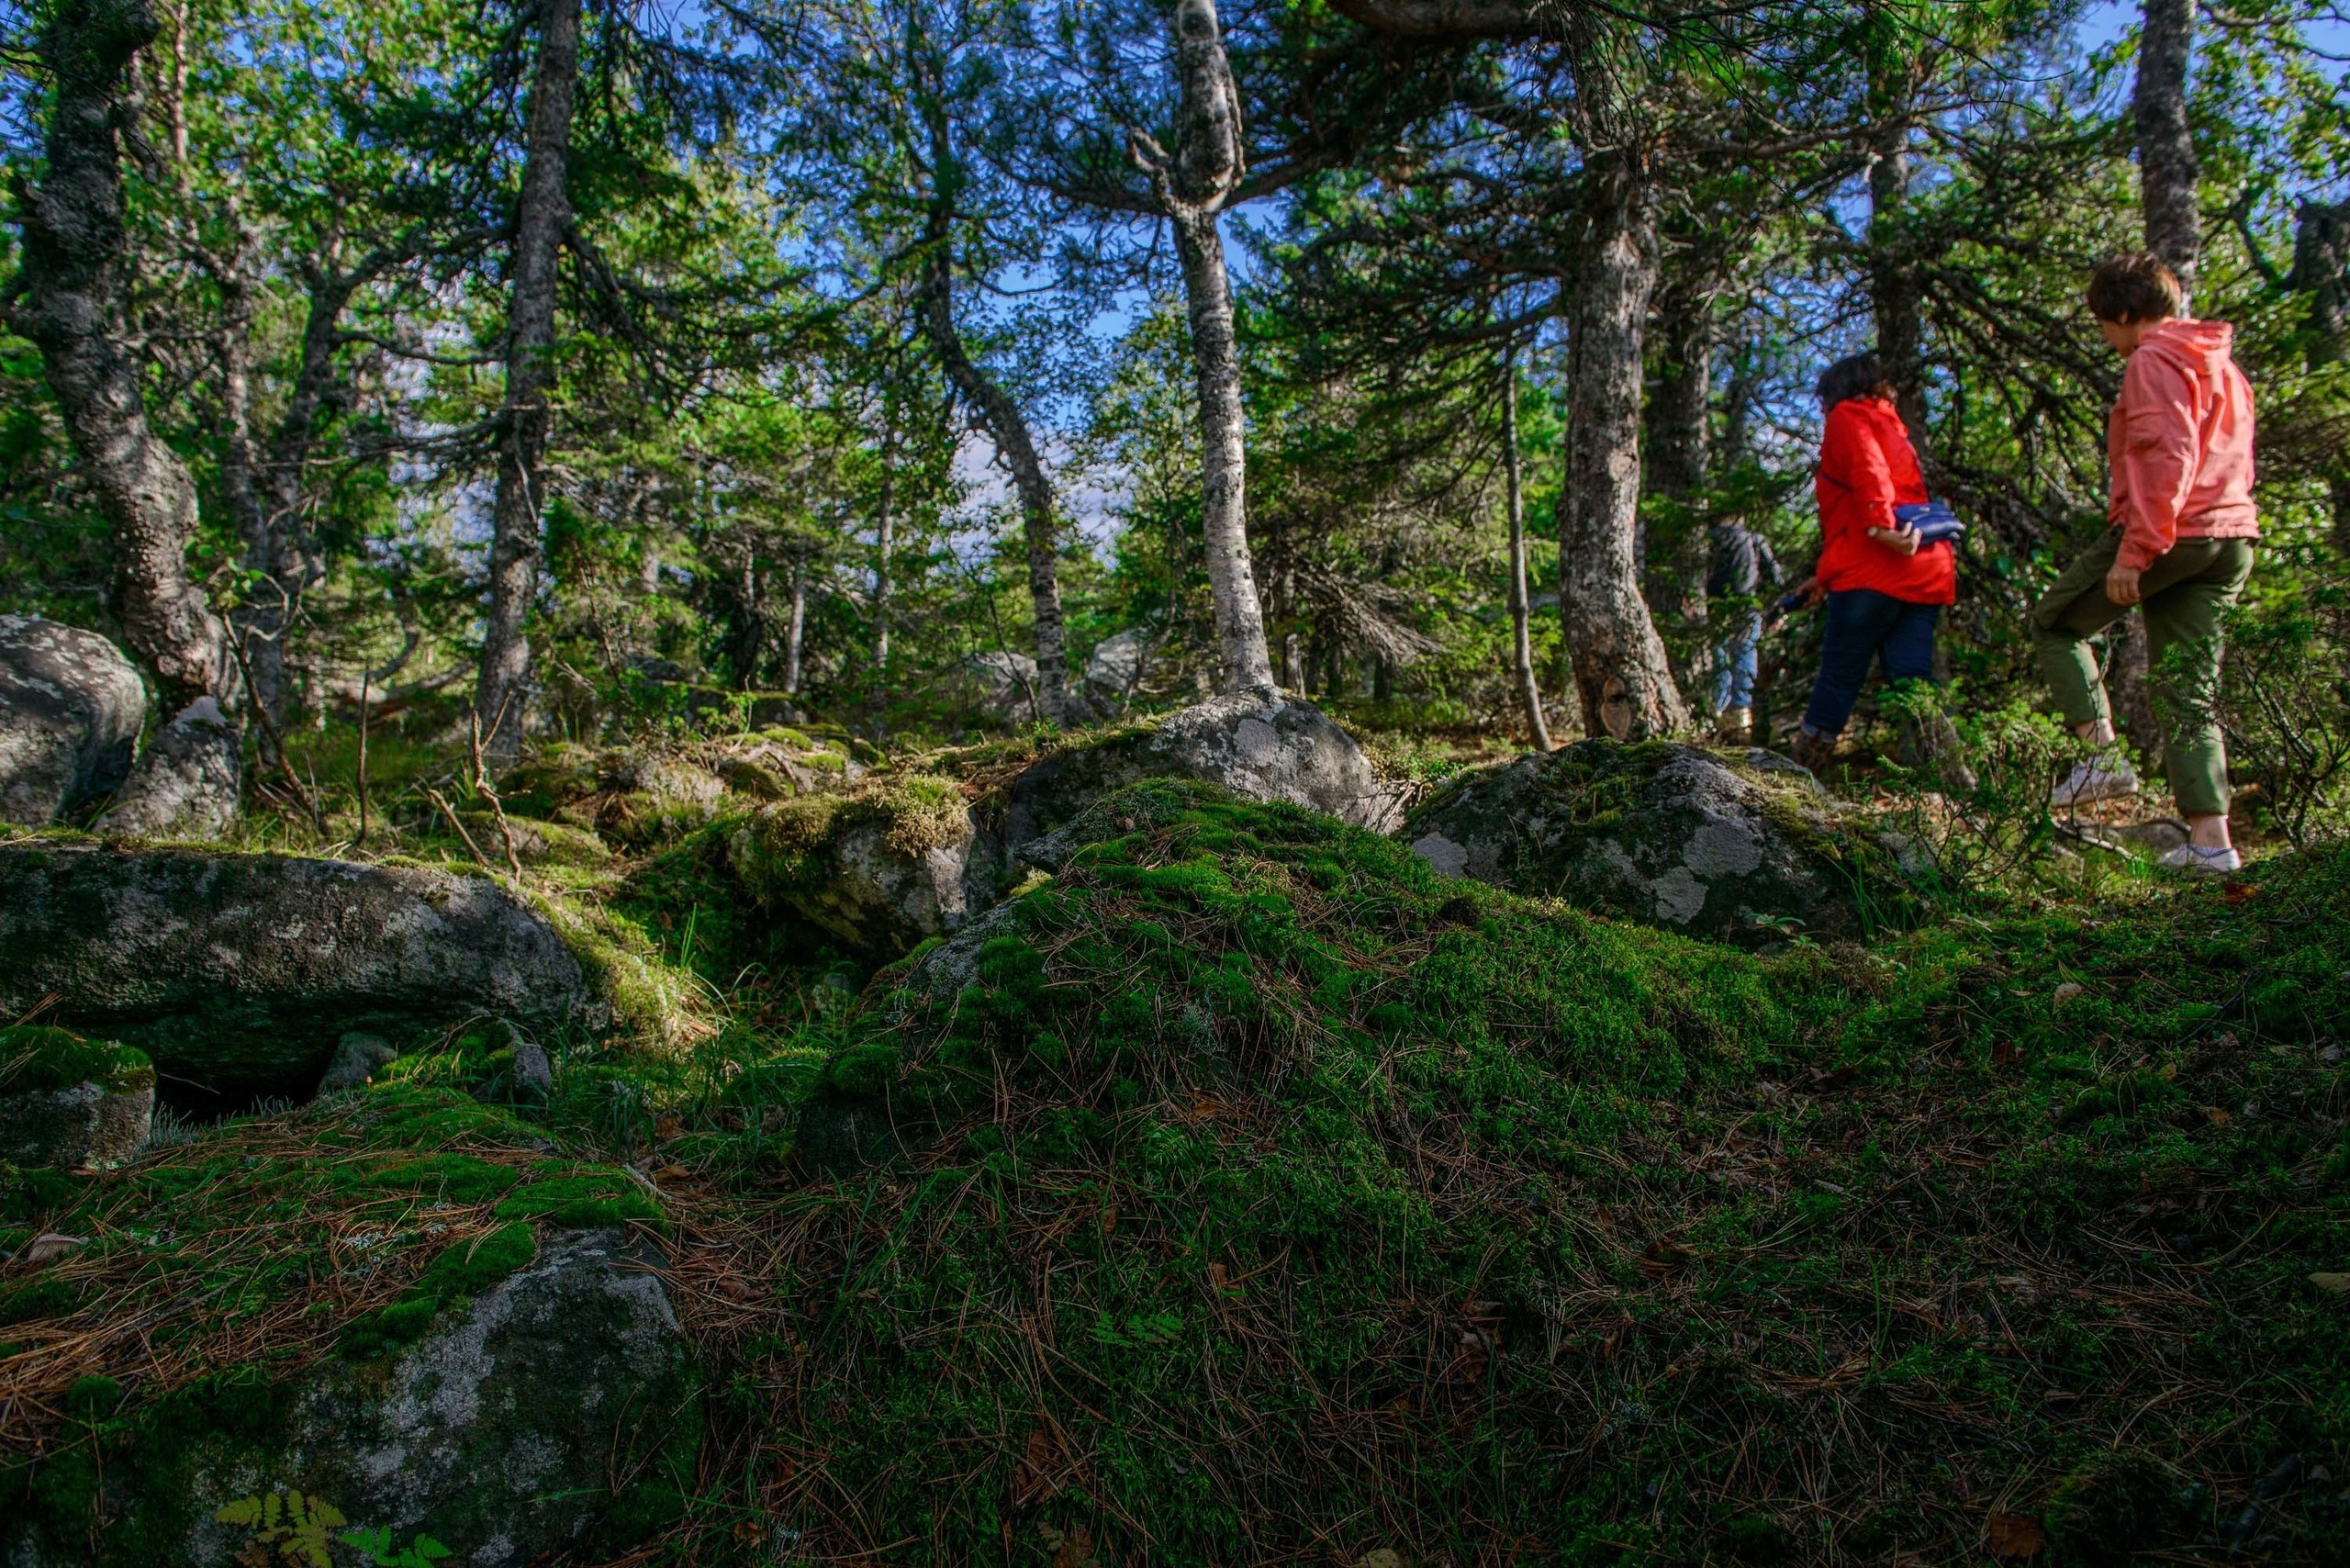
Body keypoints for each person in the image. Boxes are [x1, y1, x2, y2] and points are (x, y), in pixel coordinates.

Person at [2032, 252, 2258, 873]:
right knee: (2190, 688)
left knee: (2055, 623)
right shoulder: (2222, 366)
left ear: (2127, 313)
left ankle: (2100, 760)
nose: (2104, 337)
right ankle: (2212, 844)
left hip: (2173, 531)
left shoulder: (2153, 359)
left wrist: (2136, 551)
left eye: (2105, 323)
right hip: (2230, 535)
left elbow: (2166, 457)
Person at [1785, 352, 1964, 781]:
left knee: (1839, 675)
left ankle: (1798, 778)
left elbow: (1870, 476)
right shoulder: (1891, 424)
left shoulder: (1848, 416)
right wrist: (1824, 578)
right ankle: (1952, 777)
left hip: (1875, 572)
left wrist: (1882, 527)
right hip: (1922, 574)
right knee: (1913, 682)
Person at [1707, 517, 1781, 743]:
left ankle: (1716, 720)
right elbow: (1775, 579)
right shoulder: (1753, 539)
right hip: (1747, 607)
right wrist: (1777, 613)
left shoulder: (1708, 539)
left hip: (1713, 609)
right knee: (1744, 661)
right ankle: (1740, 725)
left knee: (1719, 664)